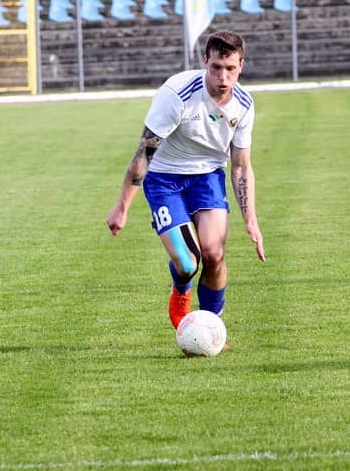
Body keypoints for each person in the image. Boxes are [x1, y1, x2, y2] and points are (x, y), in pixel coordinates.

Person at [106, 30, 265, 332]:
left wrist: (251, 220)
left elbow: (241, 166)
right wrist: (121, 208)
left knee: (214, 254)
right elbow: (144, 152)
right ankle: (181, 288)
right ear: (205, 62)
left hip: (207, 177)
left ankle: (210, 328)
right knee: (188, 263)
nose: (223, 76)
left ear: (241, 66)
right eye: (216, 67)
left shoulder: (243, 104)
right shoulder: (177, 95)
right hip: (164, 179)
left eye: (230, 68)